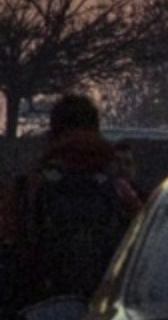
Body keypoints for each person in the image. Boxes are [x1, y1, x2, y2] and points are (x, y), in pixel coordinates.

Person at [14, 93, 142, 303]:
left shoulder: (30, 186)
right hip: (105, 308)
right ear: (95, 128)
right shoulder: (118, 187)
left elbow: (12, 246)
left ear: (53, 131)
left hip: (43, 309)